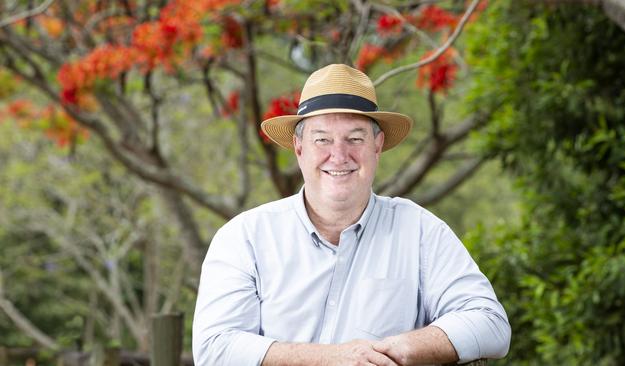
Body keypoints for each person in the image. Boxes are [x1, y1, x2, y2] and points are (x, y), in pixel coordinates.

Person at [192, 64, 510, 366]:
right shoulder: (244, 237)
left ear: (377, 145)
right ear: (299, 147)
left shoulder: (420, 231)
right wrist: (331, 358)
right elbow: (214, 348)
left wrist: (399, 349)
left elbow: (490, 323)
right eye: (322, 139)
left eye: (355, 138)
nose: (339, 155)